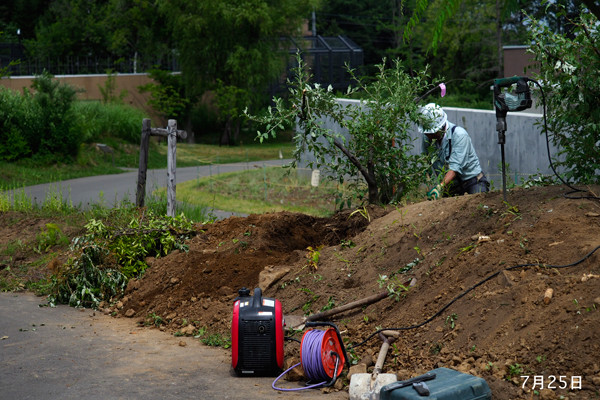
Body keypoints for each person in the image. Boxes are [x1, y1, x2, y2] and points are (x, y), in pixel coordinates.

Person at [419, 103, 490, 200]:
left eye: (431, 132)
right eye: (427, 133)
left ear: (441, 127)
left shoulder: (459, 135)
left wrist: (439, 187)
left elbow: (454, 168)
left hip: (472, 181)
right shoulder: (427, 136)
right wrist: (428, 183)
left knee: (477, 207)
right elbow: (426, 160)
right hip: (451, 185)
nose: (428, 135)